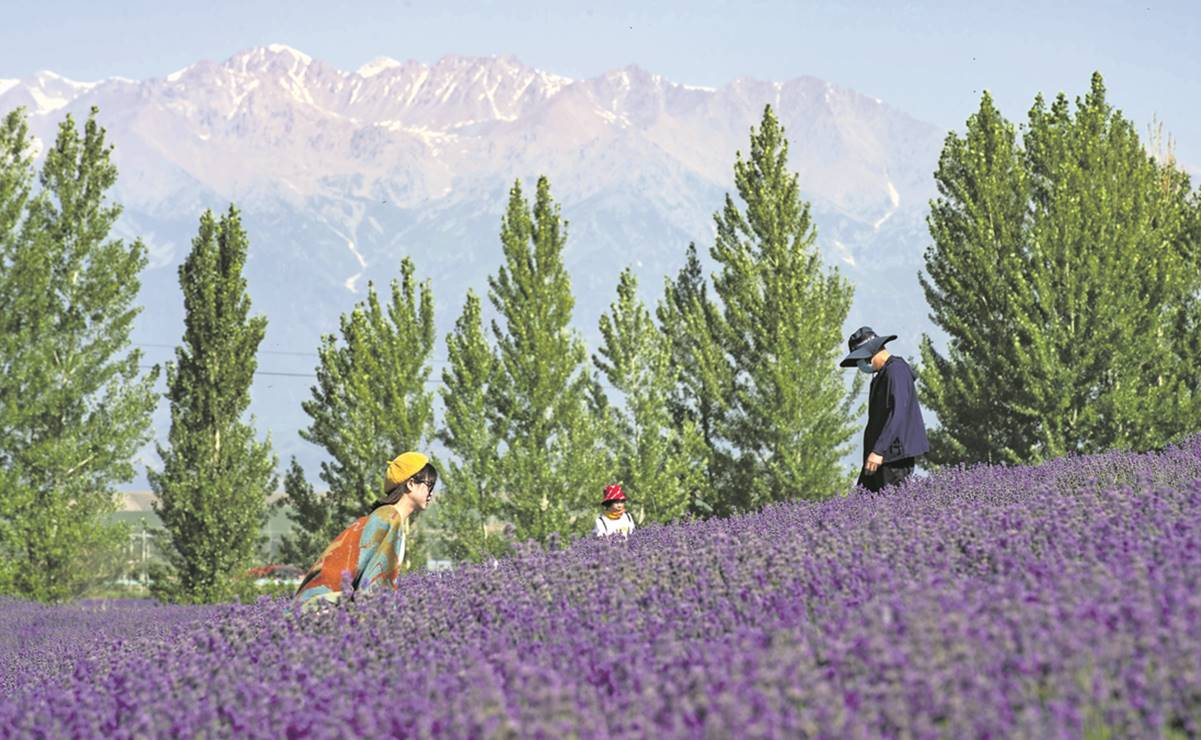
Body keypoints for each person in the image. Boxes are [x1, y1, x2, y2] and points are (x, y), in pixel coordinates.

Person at [294, 451, 437, 610]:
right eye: (429, 485)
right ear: (411, 484)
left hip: (315, 606)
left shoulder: (385, 516)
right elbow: (375, 586)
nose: (431, 494)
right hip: (321, 609)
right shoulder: (389, 518)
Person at [840, 326, 929, 492]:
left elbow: (898, 413)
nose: (861, 364)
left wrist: (878, 451)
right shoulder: (883, 374)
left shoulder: (897, 370)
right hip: (878, 459)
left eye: (862, 358)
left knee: (890, 513)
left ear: (871, 353)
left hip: (892, 459)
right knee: (860, 509)